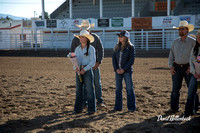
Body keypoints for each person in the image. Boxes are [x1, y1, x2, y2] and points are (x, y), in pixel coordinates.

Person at [71, 20, 106, 108]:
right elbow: (73, 53)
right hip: (81, 66)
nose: (85, 30)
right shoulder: (76, 39)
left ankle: (99, 101)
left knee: (96, 83)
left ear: (89, 29)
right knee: (84, 85)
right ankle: (84, 103)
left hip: (94, 64)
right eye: (83, 28)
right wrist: (76, 65)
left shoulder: (95, 37)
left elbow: (100, 50)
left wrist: (98, 62)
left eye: (86, 28)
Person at [168, 20, 195, 113]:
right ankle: (174, 108)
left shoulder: (193, 42)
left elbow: (196, 56)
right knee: (175, 89)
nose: (181, 31)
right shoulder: (175, 42)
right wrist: (171, 67)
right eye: (179, 29)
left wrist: (191, 66)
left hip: (189, 68)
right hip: (177, 68)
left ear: (187, 30)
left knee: (192, 88)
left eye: (182, 29)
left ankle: (195, 107)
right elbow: (171, 55)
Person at [112, 30, 136, 112]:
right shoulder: (116, 47)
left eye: (121, 36)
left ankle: (131, 107)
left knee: (129, 89)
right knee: (118, 89)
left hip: (127, 71)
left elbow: (131, 60)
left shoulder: (131, 47)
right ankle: (118, 107)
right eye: (119, 36)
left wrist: (123, 69)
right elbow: (114, 59)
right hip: (118, 71)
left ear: (126, 37)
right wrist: (116, 69)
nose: (119, 38)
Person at [73, 30, 96, 115]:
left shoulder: (91, 49)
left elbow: (92, 62)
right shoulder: (77, 49)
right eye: (80, 37)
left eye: (83, 37)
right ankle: (78, 109)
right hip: (79, 70)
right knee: (78, 90)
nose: (81, 39)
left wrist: (84, 69)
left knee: (89, 89)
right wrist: (75, 67)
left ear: (87, 38)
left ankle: (91, 109)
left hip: (87, 70)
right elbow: (75, 60)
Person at [184, 29, 200, 117]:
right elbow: (191, 61)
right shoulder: (195, 49)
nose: (198, 39)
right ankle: (189, 111)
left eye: (199, 37)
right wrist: (194, 72)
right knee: (191, 92)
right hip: (195, 74)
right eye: (197, 37)